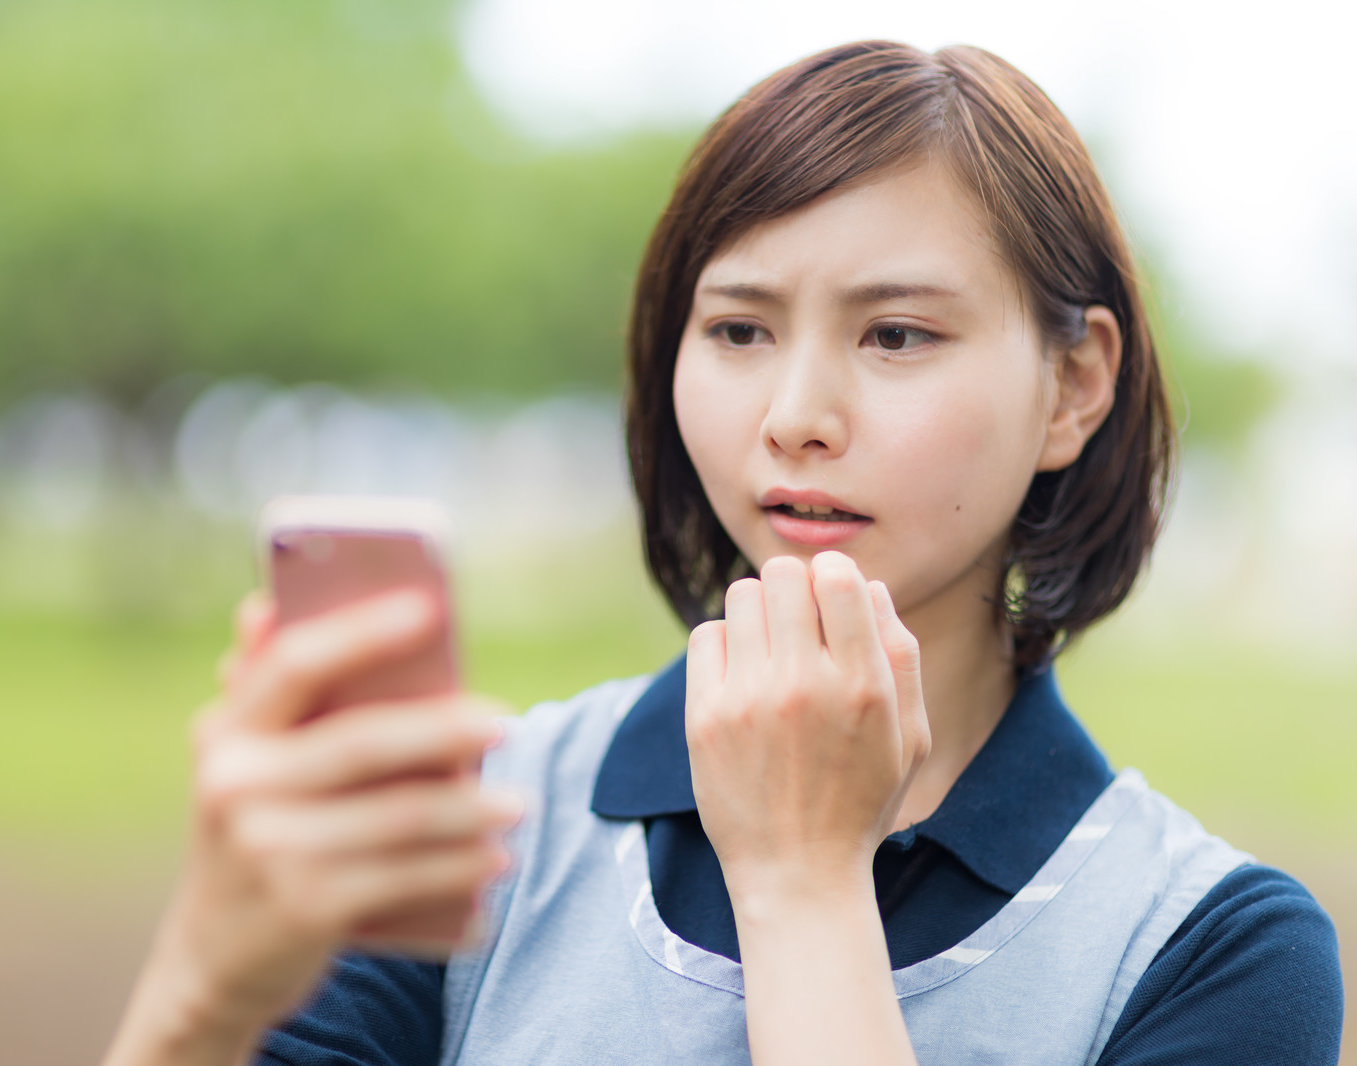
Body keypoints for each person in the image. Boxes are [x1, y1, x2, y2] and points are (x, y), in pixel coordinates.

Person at [101, 41, 1344, 1066]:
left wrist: (805, 885)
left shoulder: (1208, 948)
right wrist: (202, 986)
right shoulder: (476, 821)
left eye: (897, 334)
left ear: (1074, 384)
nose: (794, 412)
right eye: (739, 327)